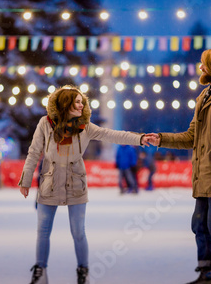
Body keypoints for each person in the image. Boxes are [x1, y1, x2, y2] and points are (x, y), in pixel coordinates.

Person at [18, 85, 149, 284]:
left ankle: (83, 271)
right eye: (77, 101)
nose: (82, 105)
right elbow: (34, 152)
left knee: (78, 231)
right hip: (49, 183)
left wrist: (139, 139)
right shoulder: (45, 124)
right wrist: (26, 179)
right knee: (43, 230)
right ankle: (40, 271)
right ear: (65, 104)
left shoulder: (85, 126)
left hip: (76, 183)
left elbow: (112, 135)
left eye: (82, 102)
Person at [145, 47, 211, 284]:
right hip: (205, 174)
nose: (200, 68)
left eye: (204, 63)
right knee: (199, 224)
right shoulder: (205, 95)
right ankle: (207, 273)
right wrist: (163, 138)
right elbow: (192, 136)